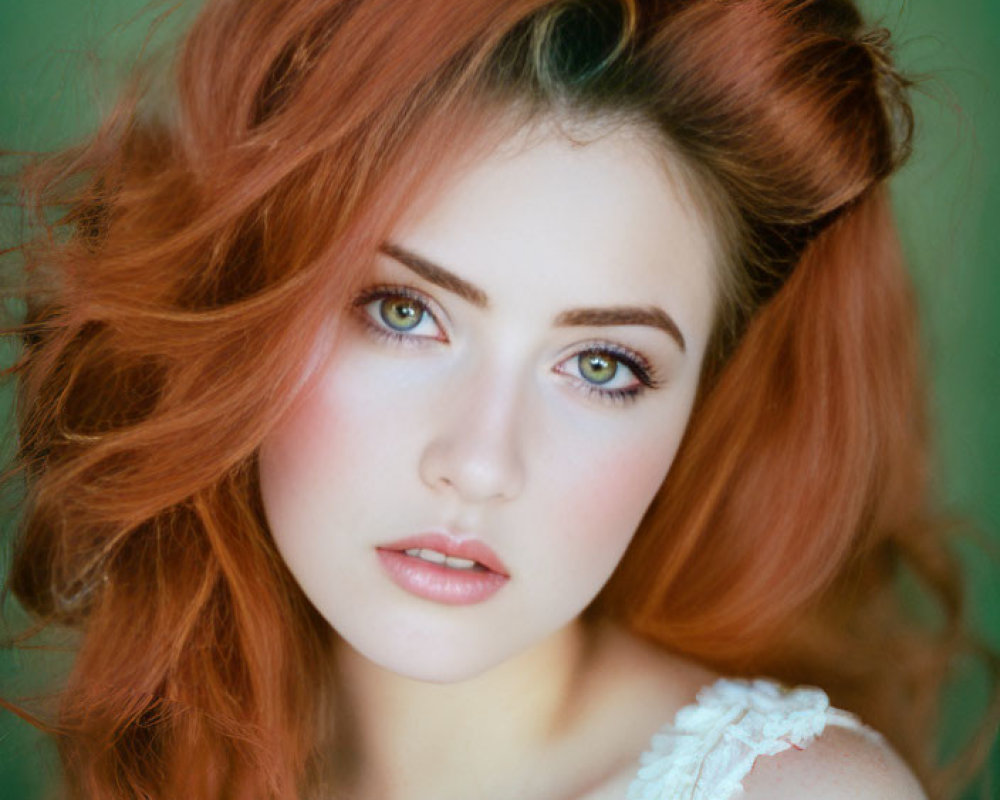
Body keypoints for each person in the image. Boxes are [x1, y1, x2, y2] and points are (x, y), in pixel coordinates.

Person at [1, 0, 993, 798]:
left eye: (602, 365)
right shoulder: (171, 751)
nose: (479, 461)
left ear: (698, 402)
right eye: (402, 310)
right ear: (246, 298)